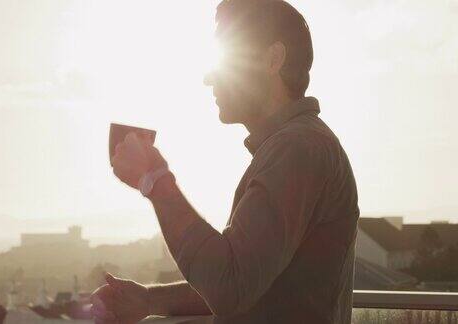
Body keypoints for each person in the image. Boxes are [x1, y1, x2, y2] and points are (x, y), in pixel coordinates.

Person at [91, 0, 359, 323]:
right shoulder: (294, 147)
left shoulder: (297, 149)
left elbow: (229, 286)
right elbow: (246, 280)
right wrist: (148, 300)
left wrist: (155, 180)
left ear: (273, 59)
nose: (208, 77)